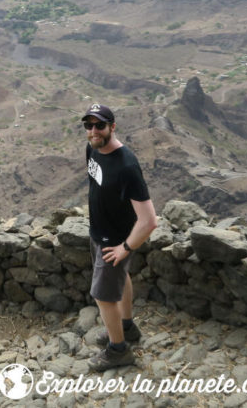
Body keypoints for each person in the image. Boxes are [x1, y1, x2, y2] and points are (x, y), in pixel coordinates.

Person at [80, 104, 158, 371]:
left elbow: (149, 220)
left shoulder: (127, 166)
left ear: (112, 127)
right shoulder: (93, 148)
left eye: (99, 125)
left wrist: (125, 247)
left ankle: (118, 350)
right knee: (120, 278)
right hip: (100, 232)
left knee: (103, 296)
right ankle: (126, 327)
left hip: (113, 240)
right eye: (88, 126)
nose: (93, 131)